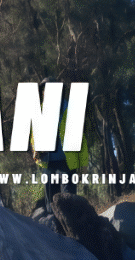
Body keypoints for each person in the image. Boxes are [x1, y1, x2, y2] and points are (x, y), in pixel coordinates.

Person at [32, 77, 88, 214]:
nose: (46, 92)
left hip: (66, 162)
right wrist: (36, 150)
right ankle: (54, 226)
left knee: (68, 200)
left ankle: (70, 227)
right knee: (51, 205)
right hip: (48, 163)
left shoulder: (69, 107)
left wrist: (83, 164)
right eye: (44, 90)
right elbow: (34, 135)